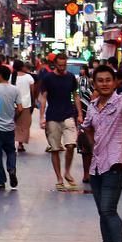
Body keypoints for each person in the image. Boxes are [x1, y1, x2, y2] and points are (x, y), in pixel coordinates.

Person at [81, 64, 122, 242]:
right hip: (96, 165)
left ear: (115, 82)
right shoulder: (93, 105)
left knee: (108, 209)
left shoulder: (121, 102)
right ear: (94, 83)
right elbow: (86, 127)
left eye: (108, 80)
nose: (104, 84)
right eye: (100, 80)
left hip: (115, 164)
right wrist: (96, 147)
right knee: (103, 211)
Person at [36, 57, 82, 191]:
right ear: (55, 64)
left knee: (71, 145)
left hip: (68, 115)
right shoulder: (48, 78)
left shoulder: (71, 77)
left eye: (64, 65)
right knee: (55, 149)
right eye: (60, 65)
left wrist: (79, 114)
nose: (62, 68)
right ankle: (59, 178)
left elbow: (76, 95)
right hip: (52, 117)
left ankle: (67, 172)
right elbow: (43, 98)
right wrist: (42, 117)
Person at [0, 65, 20, 192]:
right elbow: (20, 108)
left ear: (0, 75)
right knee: (11, 151)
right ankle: (11, 168)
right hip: (9, 127)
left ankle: (0, 181)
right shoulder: (15, 90)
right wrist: (13, 117)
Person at [12, 59, 35, 154]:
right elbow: (32, 91)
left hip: (14, 104)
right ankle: (20, 144)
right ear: (23, 67)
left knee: (14, 124)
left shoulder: (11, 77)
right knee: (24, 125)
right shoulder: (28, 77)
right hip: (25, 104)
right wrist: (33, 101)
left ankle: (12, 143)